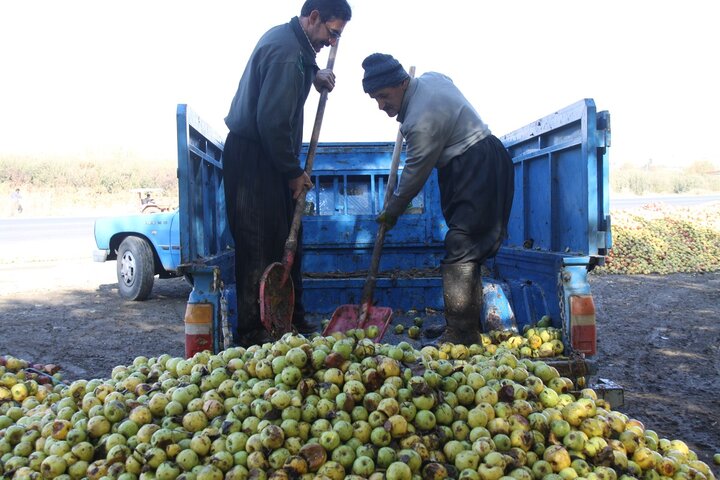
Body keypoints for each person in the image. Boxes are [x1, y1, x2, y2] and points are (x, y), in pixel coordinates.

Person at [222, 0, 352, 347]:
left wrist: (314, 74)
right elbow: (272, 122)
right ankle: (255, 335)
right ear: (313, 18)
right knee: (260, 246)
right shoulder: (285, 51)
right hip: (256, 156)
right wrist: (294, 173)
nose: (332, 42)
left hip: (270, 155)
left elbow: (295, 71)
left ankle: (289, 324)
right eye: (332, 32)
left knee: (286, 242)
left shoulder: (295, 48)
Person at [361, 53, 515, 346]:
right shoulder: (432, 78)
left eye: (384, 96)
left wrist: (391, 211)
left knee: (462, 246)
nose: (381, 106)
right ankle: (463, 327)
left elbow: (414, 176)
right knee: (466, 247)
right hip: (476, 160)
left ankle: (460, 333)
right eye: (375, 100)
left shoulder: (420, 121)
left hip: (476, 165)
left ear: (403, 83)